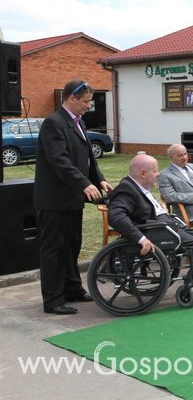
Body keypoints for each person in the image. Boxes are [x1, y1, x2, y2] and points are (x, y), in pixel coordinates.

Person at [108, 155, 193, 305]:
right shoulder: (126, 189)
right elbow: (116, 217)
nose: (158, 174)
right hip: (154, 231)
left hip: (165, 225)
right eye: (155, 171)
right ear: (142, 173)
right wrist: (141, 239)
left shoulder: (137, 186)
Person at [34, 80, 113, 315]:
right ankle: (53, 299)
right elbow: (59, 160)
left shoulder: (77, 122)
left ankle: (72, 288)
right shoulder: (53, 123)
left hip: (72, 199)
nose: (89, 106)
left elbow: (88, 157)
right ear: (71, 99)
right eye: (86, 101)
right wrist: (83, 183)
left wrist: (98, 178)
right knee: (54, 249)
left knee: (72, 246)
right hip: (54, 200)